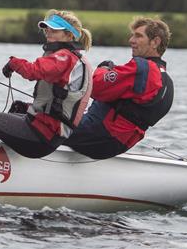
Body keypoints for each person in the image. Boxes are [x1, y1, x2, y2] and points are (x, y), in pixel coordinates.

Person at [0, 10, 93, 158]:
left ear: (68, 35)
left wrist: (13, 63)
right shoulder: (76, 60)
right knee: (13, 110)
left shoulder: (64, 58)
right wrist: (29, 107)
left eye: (54, 30)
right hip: (46, 135)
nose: (48, 32)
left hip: (39, 137)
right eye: (47, 29)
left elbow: (33, 71)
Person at [66, 17, 173, 160]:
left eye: (138, 36)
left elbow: (94, 86)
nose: (131, 40)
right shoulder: (166, 81)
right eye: (132, 35)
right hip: (116, 144)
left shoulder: (143, 69)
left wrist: (103, 68)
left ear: (155, 42)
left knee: (38, 120)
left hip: (94, 134)